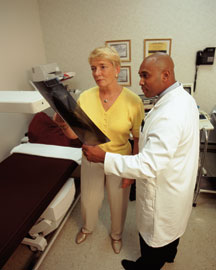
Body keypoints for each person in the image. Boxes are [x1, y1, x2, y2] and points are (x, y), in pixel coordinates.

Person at [82, 52, 200, 269]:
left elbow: (148, 163)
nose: (140, 81)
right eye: (140, 75)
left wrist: (105, 157)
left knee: (154, 238)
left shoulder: (169, 113)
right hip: (177, 183)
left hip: (163, 190)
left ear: (165, 75)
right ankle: (169, 255)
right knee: (171, 230)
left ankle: (145, 265)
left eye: (145, 75)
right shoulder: (182, 99)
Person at [53, 45, 144, 254]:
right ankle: (88, 227)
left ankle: (116, 235)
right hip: (91, 157)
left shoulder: (133, 101)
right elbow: (74, 135)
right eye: (93, 68)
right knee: (89, 199)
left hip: (119, 159)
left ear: (116, 68)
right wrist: (63, 123)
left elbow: (137, 139)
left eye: (102, 67)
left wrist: (133, 170)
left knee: (118, 202)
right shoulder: (85, 97)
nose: (97, 73)